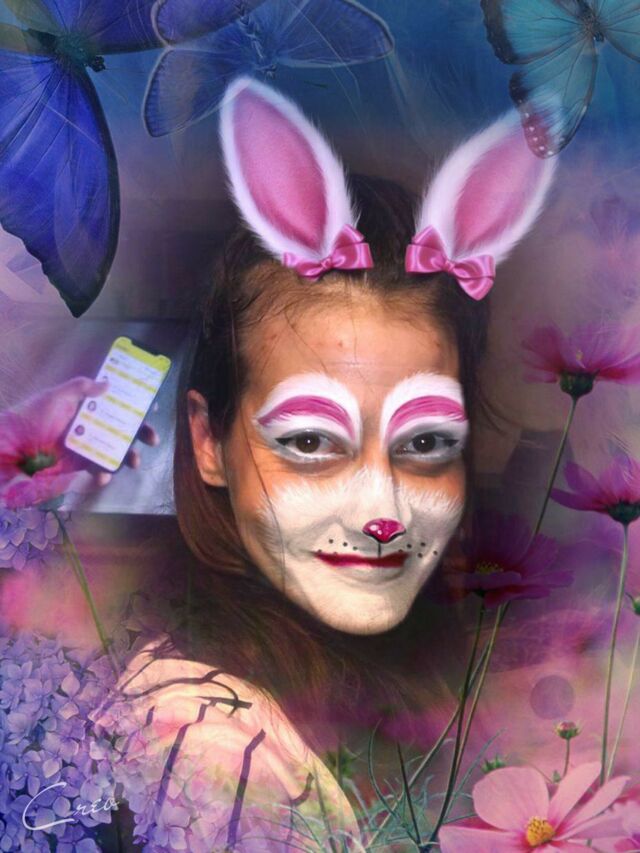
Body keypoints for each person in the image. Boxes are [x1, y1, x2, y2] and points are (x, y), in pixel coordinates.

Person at [10, 77, 558, 851]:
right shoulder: (208, 750)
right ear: (209, 441)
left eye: (424, 443)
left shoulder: (455, 687)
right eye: (308, 442)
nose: (383, 509)